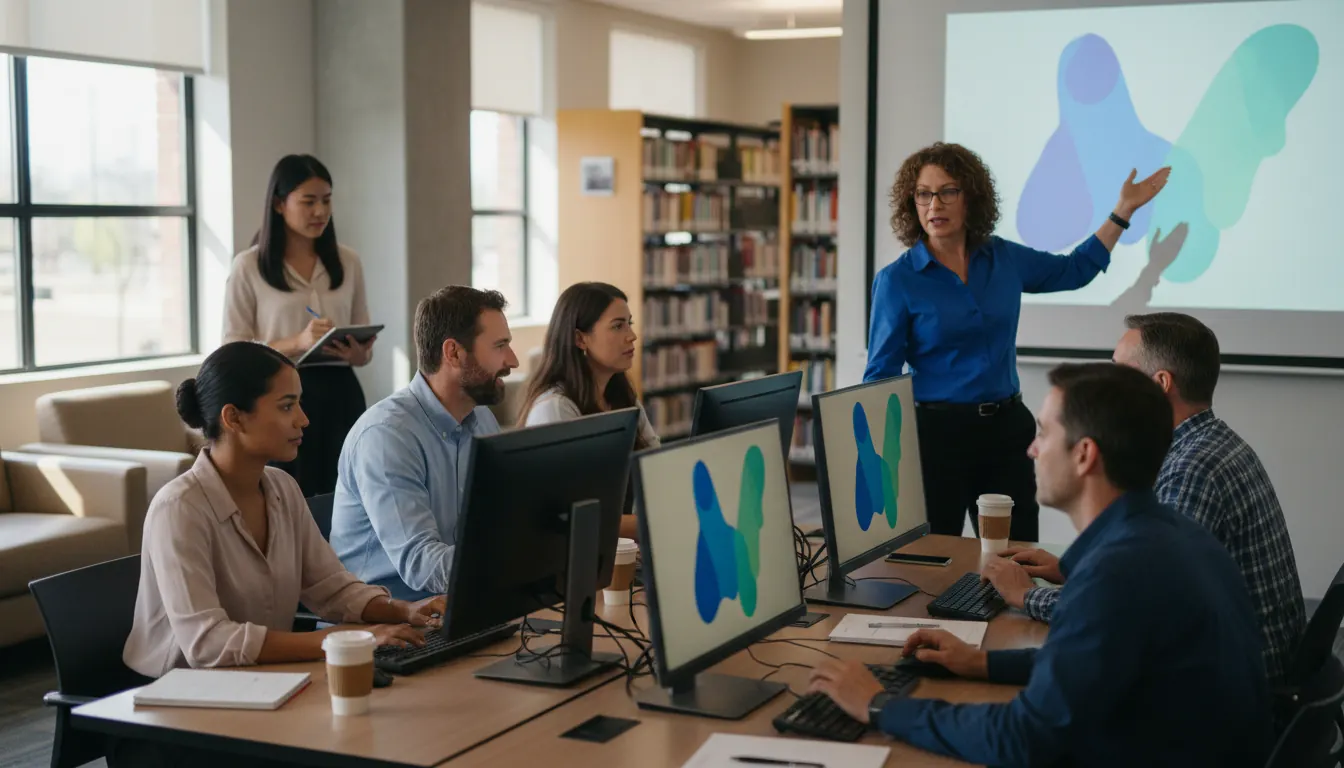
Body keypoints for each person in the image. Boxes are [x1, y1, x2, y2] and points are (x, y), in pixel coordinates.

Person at [807, 363, 1272, 767]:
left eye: (1045, 433)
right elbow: (1089, 662)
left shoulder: (1118, 572)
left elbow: (1022, 737)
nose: (1031, 449)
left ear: (1085, 454)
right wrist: (983, 663)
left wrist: (879, 705)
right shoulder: (1168, 534)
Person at [115, 343, 440, 767]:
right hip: (175, 714)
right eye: (287, 406)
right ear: (233, 418)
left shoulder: (282, 489)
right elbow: (208, 643)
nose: (304, 419)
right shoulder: (179, 508)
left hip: (258, 687)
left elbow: (328, 585)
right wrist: (334, 641)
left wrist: (402, 611)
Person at [865, 142, 1171, 541]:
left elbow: (1074, 270)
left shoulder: (1003, 258)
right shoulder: (898, 281)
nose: (934, 205)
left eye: (947, 191)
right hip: (935, 437)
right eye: (923, 194)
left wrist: (1123, 211)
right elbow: (879, 377)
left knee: (1016, 556)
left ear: (970, 197)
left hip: (1006, 433)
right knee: (934, 560)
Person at [983, 312, 1306, 684]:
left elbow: (1137, 606)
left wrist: (1024, 596)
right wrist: (1070, 568)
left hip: (1238, 687)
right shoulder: (1212, 442)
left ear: (1160, 384)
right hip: (1251, 666)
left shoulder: (1191, 469)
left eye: (1119, 370)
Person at [330, 286, 518, 601]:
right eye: (500, 346)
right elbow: (421, 565)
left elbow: (501, 522)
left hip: (455, 602)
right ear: (454, 353)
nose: (512, 360)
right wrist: (521, 560)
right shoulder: (386, 435)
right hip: (383, 624)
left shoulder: (481, 419)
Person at [223, 154, 375, 498]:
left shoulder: (348, 260)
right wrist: (297, 341)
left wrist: (357, 353)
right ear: (279, 204)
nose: (320, 212)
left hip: (341, 392)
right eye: (308, 202)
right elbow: (233, 350)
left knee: (349, 494)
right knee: (290, 497)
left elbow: (364, 351)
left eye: (326, 200)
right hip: (281, 396)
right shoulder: (249, 266)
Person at [517, 282, 660, 541]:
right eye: (618, 326)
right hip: (575, 560)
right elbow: (567, 518)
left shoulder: (622, 394)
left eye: (630, 323)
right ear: (579, 338)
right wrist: (653, 523)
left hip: (620, 550)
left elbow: (654, 465)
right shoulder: (555, 408)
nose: (632, 336)